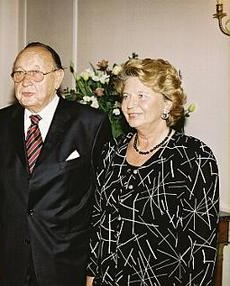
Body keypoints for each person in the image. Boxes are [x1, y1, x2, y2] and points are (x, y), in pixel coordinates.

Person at [86, 58, 219, 286]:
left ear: (167, 103)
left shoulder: (193, 157)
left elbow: (202, 247)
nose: (129, 104)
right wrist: (90, 279)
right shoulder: (112, 152)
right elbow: (99, 224)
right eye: (126, 96)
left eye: (141, 96)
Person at [0, 42, 112, 286]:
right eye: (19, 73)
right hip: (13, 257)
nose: (25, 81)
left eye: (35, 72)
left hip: (66, 259)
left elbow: (103, 201)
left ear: (57, 78)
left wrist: (94, 264)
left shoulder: (90, 123)